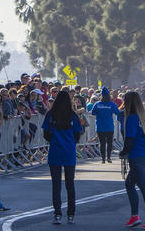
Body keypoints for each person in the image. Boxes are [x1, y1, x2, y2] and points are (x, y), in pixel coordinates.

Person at [120, 91, 145, 229]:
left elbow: (129, 140)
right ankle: (134, 216)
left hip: (137, 157)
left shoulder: (131, 118)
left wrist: (123, 152)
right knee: (129, 184)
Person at [43, 89, 83, 225]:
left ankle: (57, 214)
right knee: (70, 184)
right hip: (69, 152)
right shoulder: (72, 116)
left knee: (56, 184)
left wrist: (55, 139)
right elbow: (78, 133)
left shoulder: (51, 115)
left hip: (55, 151)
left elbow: (46, 134)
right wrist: (70, 141)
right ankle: (71, 214)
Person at [90, 87, 123, 164]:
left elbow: (93, 113)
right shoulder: (112, 104)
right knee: (109, 142)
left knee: (102, 143)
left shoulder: (97, 104)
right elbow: (118, 112)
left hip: (100, 127)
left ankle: (103, 159)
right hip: (109, 126)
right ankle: (108, 157)